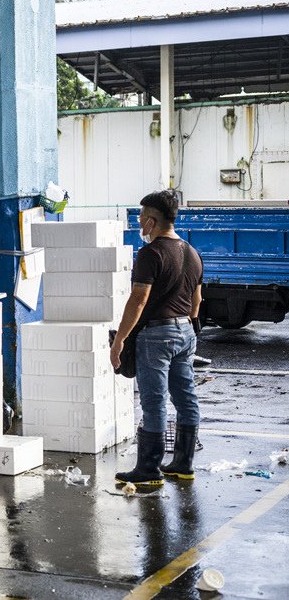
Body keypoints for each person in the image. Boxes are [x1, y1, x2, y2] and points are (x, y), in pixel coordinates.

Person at [110, 189, 204, 486]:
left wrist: (119, 340)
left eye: (141, 218)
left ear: (151, 221)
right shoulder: (192, 252)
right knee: (185, 397)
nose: (140, 223)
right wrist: (184, 327)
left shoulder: (150, 254)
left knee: (154, 401)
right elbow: (197, 301)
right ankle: (182, 464)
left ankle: (149, 469)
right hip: (186, 332)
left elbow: (138, 300)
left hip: (157, 336)